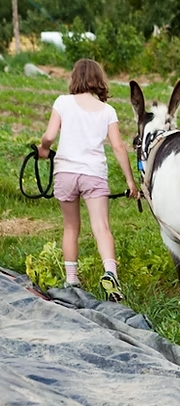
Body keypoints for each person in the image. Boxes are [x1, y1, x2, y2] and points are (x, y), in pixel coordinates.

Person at [37, 58, 139, 302]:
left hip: (66, 173)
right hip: (93, 173)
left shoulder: (62, 102)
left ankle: (72, 280)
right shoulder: (107, 111)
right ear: (99, 80)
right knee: (101, 228)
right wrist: (130, 182)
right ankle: (110, 275)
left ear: (75, 78)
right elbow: (117, 146)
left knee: (71, 227)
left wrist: (43, 148)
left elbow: (50, 135)